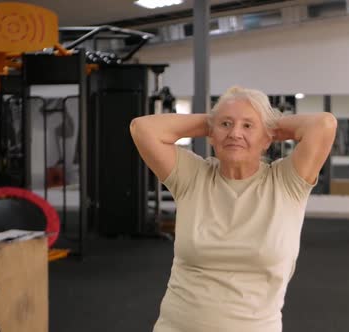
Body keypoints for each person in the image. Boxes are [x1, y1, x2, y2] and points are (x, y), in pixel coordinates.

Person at [129, 86, 337, 332]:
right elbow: (141, 128)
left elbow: (324, 124)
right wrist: (215, 123)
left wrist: (265, 126)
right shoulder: (192, 176)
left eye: (248, 126)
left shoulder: (286, 182)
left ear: (268, 139)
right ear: (211, 135)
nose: (235, 133)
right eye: (226, 125)